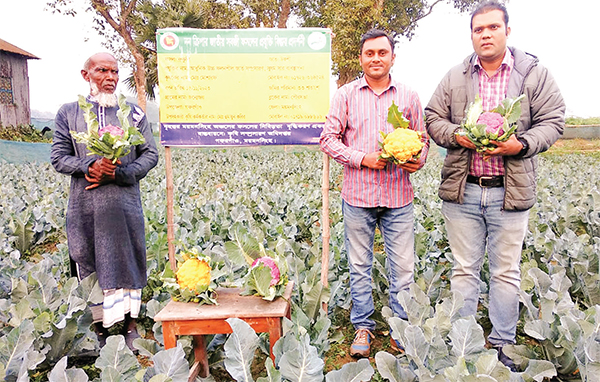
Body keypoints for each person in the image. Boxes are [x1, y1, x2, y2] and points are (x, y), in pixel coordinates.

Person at [425, 1, 565, 370]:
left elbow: (553, 120)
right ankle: (464, 341)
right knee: (464, 269)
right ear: (471, 35)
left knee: (506, 271)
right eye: (478, 30)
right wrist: (457, 135)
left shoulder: (534, 73)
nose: (485, 35)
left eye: (492, 28)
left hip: (509, 190)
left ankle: (503, 341)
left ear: (507, 31)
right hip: (464, 188)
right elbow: (432, 118)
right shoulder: (456, 75)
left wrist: (521, 145)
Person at [320, 29, 429, 358]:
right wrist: (362, 159)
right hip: (358, 195)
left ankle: (399, 327)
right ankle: (363, 327)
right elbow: (328, 139)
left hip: (399, 195)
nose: (376, 58)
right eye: (370, 53)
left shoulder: (408, 96)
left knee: (404, 267)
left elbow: (421, 139)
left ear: (392, 57)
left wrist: (418, 161)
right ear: (361, 58)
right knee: (359, 264)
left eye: (383, 52)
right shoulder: (346, 95)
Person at [51, 52, 159, 351]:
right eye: (102, 71)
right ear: (86, 75)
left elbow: (150, 154)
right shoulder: (68, 113)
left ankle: (130, 326)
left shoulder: (133, 113)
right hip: (85, 207)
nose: (110, 78)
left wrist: (121, 173)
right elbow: (59, 158)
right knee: (88, 259)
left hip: (124, 204)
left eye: (114, 72)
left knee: (129, 258)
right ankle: (98, 328)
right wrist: (88, 166)